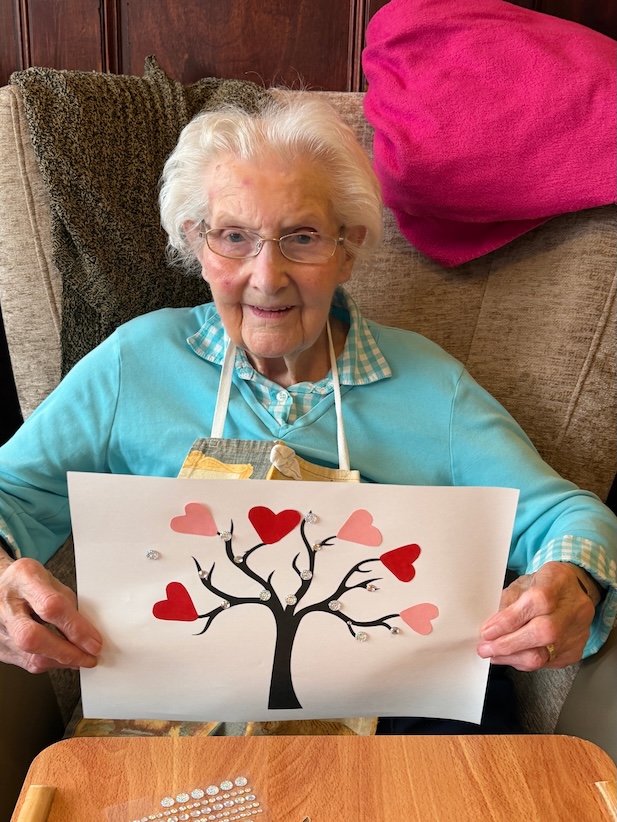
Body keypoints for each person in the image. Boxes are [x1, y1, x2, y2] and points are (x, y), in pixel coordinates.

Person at [0, 92, 615, 734]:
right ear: (196, 244)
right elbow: (10, 491)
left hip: (391, 733)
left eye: (301, 238)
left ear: (346, 250)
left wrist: (571, 580)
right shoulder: (135, 362)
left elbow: (565, 515)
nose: (266, 278)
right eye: (234, 237)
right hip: (167, 728)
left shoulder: (429, 385)